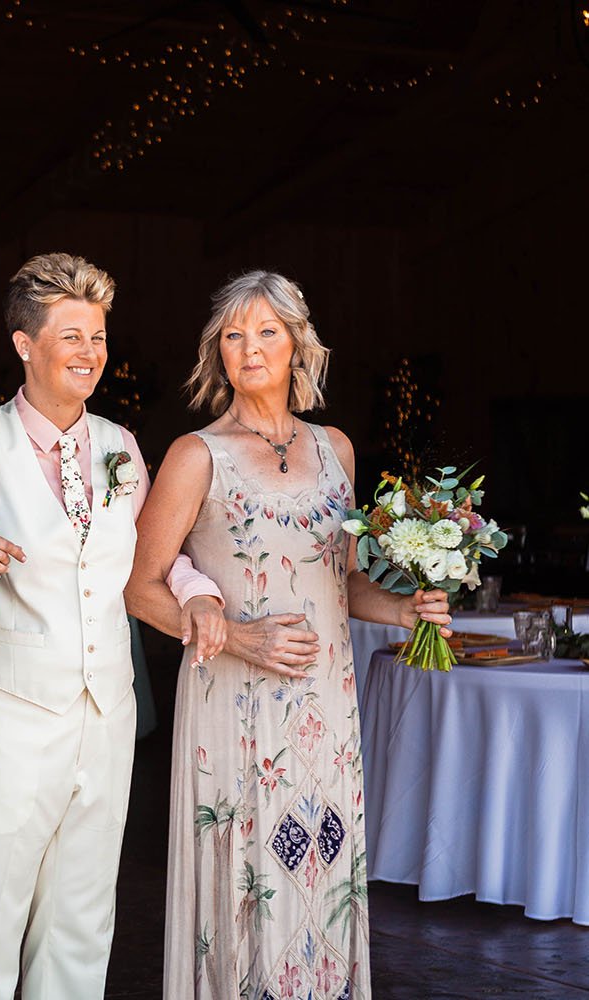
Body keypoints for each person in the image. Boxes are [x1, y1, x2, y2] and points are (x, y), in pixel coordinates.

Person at [123, 271, 452, 999]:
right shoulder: (196, 453)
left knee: (321, 869)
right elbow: (138, 589)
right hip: (236, 701)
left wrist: (406, 611)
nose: (250, 348)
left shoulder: (337, 448)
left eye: (267, 331)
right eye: (234, 335)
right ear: (218, 353)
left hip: (324, 709)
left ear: (299, 344)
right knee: (251, 875)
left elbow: (344, 580)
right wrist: (239, 639)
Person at [0, 253, 221, 1000]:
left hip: (105, 715)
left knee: (82, 922)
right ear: (24, 344)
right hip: (3, 713)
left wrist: (198, 594)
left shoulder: (120, 446)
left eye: (98, 336)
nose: (91, 352)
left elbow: (156, 557)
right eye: (72, 335)